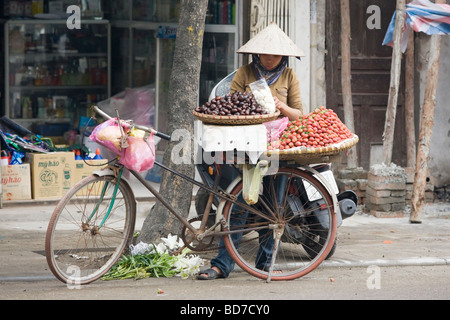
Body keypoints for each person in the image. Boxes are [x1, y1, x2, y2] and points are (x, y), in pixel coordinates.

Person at [197, 23, 305, 280]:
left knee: (272, 207)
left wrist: (280, 106)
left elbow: (299, 115)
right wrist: (253, 107)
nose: (269, 59)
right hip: (245, 148)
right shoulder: (244, 74)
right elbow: (232, 106)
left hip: (277, 149)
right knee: (239, 205)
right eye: (265, 54)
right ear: (256, 54)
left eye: (275, 55)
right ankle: (222, 265)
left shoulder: (289, 77)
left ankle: (266, 264)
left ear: (284, 57)